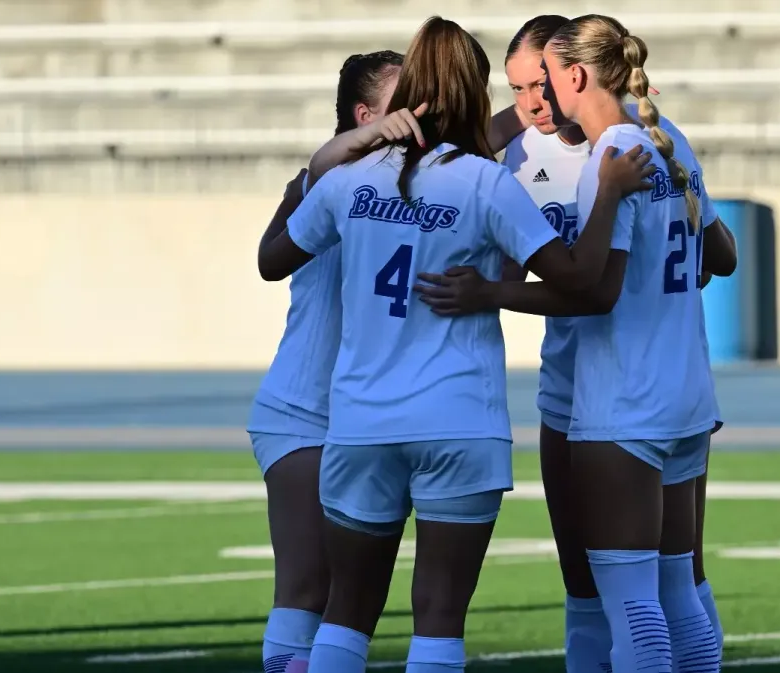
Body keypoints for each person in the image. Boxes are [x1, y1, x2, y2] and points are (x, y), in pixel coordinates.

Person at [256, 16, 656, 673]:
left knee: (346, 611)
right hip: (456, 418)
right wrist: (608, 193)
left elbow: (273, 259)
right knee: (438, 616)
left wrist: (327, 164)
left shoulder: (350, 179)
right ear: (474, 93)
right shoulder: (483, 182)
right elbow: (583, 280)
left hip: (361, 421)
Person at [415, 14, 728, 673]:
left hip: (618, 398)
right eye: (518, 89)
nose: (534, 102)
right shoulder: (661, 136)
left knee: (634, 601)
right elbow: (717, 251)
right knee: (654, 588)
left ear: (572, 74)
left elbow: (592, 287)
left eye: (542, 83)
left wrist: (488, 292)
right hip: (655, 390)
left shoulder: (607, 154)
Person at [249, 49, 403, 673]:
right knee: (309, 588)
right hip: (304, 409)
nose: (426, 111)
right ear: (365, 117)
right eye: (408, 99)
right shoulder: (325, 178)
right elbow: (269, 257)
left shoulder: (424, 177)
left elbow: (486, 126)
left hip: (370, 416)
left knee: (356, 603)